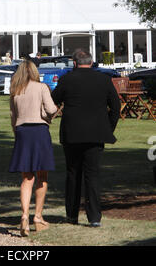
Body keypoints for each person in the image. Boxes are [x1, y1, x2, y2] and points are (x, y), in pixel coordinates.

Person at [51, 49, 120, 227]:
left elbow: (54, 100)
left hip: (72, 134)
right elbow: (116, 107)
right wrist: (108, 128)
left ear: (74, 63)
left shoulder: (67, 79)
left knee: (73, 174)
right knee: (93, 175)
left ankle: (72, 215)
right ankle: (95, 217)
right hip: (96, 134)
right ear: (91, 62)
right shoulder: (104, 80)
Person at [9, 60, 58, 237]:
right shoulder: (41, 87)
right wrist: (50, 115)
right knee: (42, 176)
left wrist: (17, 133)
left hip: (22, 132)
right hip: (39, 131)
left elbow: (13, 117)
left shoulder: (15, 90)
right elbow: (51, 108)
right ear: (35, 71)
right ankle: (37, 216)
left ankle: (24, 216)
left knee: (27, 177)